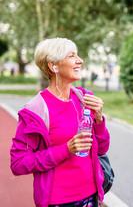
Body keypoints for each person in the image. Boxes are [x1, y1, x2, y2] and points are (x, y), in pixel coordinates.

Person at [10, 38, 110, 207]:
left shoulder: (85, 98)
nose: (80, 60)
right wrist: (65, 150)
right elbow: (18, 163)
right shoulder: (35, 110)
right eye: (72, 56)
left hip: (91, 196)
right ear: (53, 66)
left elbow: (102, 148)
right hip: (59, 201)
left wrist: (99, 119)